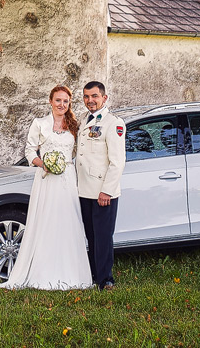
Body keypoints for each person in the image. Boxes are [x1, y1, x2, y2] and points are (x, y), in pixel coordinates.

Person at [0, 85, 96, 291]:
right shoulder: (40, 124)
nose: (62, 104)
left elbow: (81, 151)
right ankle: (42, 273)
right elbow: (29, 151)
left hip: (68, 178)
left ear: (69, 103)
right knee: (46, 221)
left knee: (68, 222)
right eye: (58, 100)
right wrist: (44, 164)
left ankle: (72, 273)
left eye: (65, 101)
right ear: (50, 101)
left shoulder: (74, 125)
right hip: (46, 178)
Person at [75, 80, 126, 290]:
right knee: (91, 236)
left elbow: (117, 162)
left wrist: (107, 191)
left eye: (94, 96)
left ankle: (106, 280)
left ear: (104, 98)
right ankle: (94, 276)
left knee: (103, 237)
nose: (90, 100)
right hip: (84, 190)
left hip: (102, 192)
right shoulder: (83, 120)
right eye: (86, 96)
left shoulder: (114, 123)